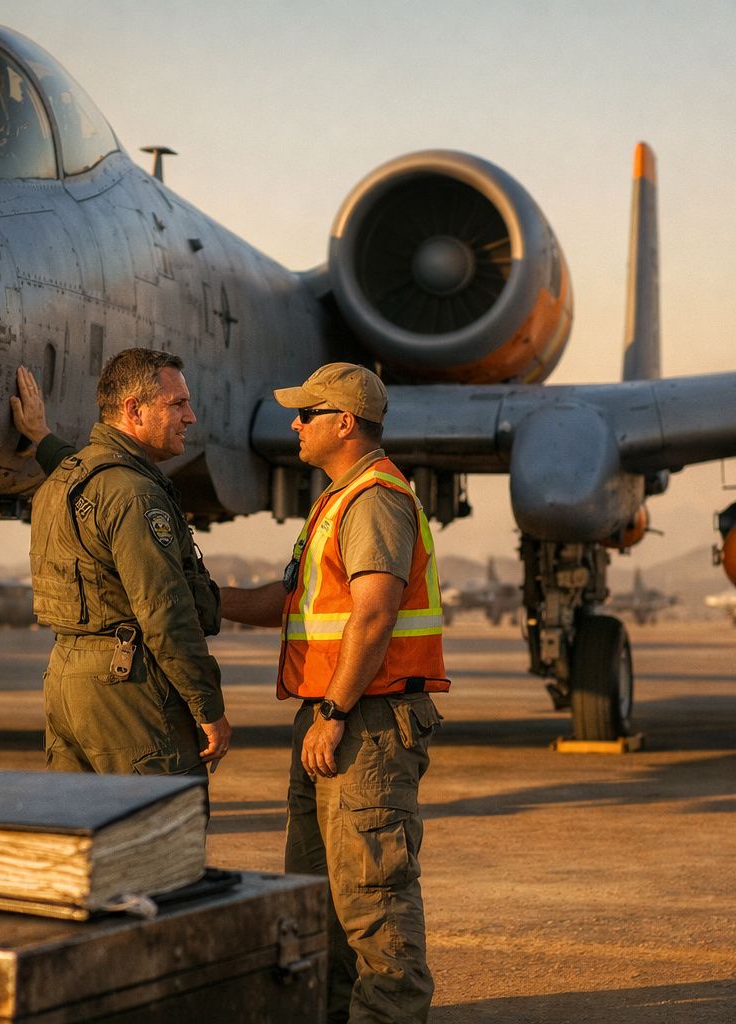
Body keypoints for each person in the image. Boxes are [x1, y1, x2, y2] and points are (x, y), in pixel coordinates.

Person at [219, 362, 449, 1024]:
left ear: (344, 423)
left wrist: (334, 711)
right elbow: (288, 602)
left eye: (306, 413)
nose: (294, 424)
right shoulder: (336, 500)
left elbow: (373, 615)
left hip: (363, 722)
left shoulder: (374, 498)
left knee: (374, 899)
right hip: (334, 718)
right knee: (318, 896)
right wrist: (206, 598)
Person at [19, 351, 231, 776]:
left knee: (81, 817)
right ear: (134, 409)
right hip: (128, 690)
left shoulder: (66, 479)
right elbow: (165, 615)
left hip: (67, 682)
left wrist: (41, 437)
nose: (189, 417)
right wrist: (208, 708)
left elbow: (82, 471)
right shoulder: (135, 494)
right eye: (177, 403)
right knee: (161, 816)